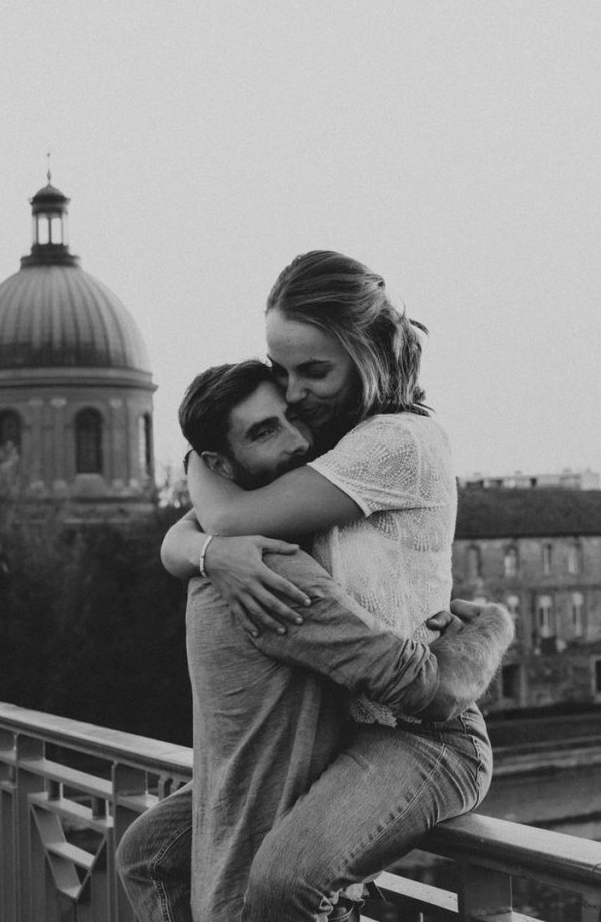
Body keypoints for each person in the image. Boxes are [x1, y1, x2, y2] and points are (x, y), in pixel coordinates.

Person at [159, 251, 505, 922]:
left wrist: (209, 535)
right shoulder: (319, 443)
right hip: (337, 735)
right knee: (151, 853)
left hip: (421, 734)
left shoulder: (398, 442)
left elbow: (226, 513)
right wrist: (202, 550)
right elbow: (193, 528)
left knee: (283, 885)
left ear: (367, 351)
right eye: (282, 371)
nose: (291, 394)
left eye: (312, 370)